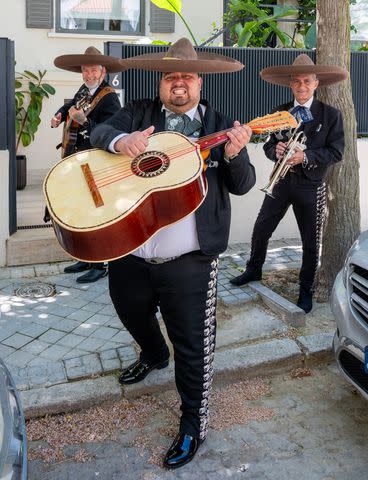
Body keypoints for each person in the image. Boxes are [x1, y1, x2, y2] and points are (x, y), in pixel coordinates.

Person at [90, 38, 256, 468]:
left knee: (194, 343)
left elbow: (242, 184)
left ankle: (192, 424)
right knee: (129, 310)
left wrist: (235, 154)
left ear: (199, 82)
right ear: (161, 83)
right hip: (131, 249)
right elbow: (100, 130)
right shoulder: (140, 112)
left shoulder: (221, 123)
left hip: (191, 259)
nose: (177, 83)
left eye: (186, 76)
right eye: (170, 76)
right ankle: (152, 354)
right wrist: (121, 141)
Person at [230, 54, 348, 314]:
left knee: (309, 241)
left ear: (316, 83)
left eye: (307, 81)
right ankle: (253, 269)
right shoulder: (279, 113)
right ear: (291, 84)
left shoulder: (331, 115)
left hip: (311, 185)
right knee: (261, 227)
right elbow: (269, 146)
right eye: (296, 81)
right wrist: (278, 150)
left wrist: (305, 156)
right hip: (281, 182)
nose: (302, 86)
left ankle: (306, 289)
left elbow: (336, 152)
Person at [51, 46, 122, 283]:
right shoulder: (85, 90)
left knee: (96, 212)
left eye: (93, 70)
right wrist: (60, 114)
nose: (89, 75)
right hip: (77, 160)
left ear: (102, 71)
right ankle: (85, 257)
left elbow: (110, 133)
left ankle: (100, 264)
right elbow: (70, 103)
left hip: (96, 162)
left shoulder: (109, 97)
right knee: (80, 210)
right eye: (85, 70)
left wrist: (84, 122)